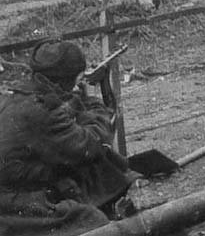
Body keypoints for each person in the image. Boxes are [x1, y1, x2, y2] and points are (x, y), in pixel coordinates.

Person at [0, 40, 134, 236]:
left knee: (95, 176)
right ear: (61, 83)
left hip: (18, 188)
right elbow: (90, 146)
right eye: (74, 79)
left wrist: (72, 102)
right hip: (14, 203)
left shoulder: (17, 97)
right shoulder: (41, 111)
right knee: (95, 223)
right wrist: (92, 105)